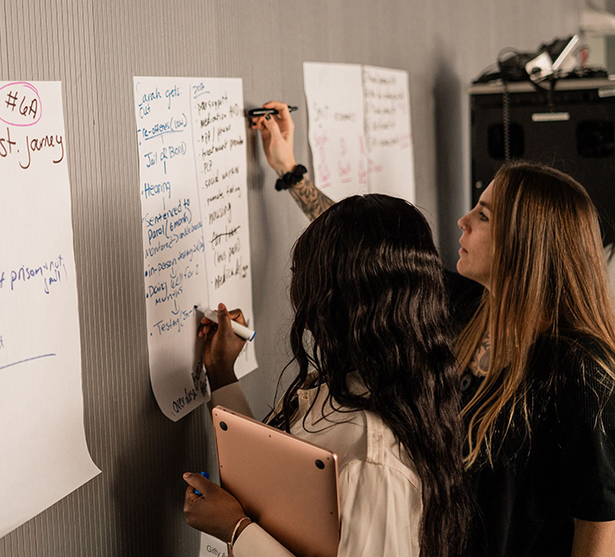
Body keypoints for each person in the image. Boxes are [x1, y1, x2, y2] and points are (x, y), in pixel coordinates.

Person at [252, 101, 615, 556]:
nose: (463, 222)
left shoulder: (581, 369)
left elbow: (599, 522)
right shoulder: (467, 306)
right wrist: (289, 171)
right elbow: (370, 255)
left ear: (528, 244)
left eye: (483, 215)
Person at [182, 194, 470, 557]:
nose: (298, 293)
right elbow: (274, 488)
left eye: (304, 277)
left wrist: (237, 530)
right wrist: (221, 372)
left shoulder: (373, 460)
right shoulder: (346, 387)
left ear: (337, 300)